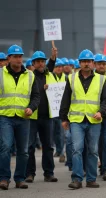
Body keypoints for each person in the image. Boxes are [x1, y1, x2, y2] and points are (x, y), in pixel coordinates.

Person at [60, 49, 106, 189]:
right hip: (76, 119)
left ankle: (91, 179)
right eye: (84, 61)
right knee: (77, 149)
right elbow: (65, 100)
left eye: (89, 61)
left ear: (93, 63)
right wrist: (64, 118)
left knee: (93, 150)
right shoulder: (71, 78)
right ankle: (76, 179)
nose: (86, 64)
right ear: (80, 63)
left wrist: (102, 112)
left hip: (94, 120)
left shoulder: (101, 80)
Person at [0, 45, 40, 190]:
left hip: (23, 118)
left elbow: (36, 96)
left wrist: (31, 107)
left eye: (20, 56)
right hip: (5, 116)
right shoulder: (0, 74)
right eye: (15, 56)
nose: (18, 59)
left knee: (23, 150)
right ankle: (4, 178)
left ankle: (20, 179)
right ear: (8, 58)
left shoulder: (30, 75)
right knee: (5, 148)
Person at [26, 50, 58, 183]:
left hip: (47, 116)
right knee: (30, 146)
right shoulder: (28, 77)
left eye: (42, 61)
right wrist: (41, 89)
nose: (40, 64)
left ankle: (49, 173)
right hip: (32, 117)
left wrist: (53, 57)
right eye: (38, 61)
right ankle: (29, 174)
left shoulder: (50, 75)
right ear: (33, 64)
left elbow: (57, 91)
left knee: (48, 146)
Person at [53, 58, 67, 163]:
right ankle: (58, 150)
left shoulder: (66, 78)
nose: (59, 68)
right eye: (57, 66)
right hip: (52, 110)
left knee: (62, 133)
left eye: (60, 67)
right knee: (55, 133)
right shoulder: (49, 77)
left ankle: (62, 152)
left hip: (62, 110)